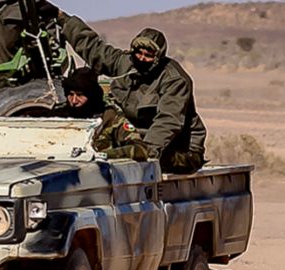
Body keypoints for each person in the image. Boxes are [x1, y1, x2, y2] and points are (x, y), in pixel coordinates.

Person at [58, 16, 206, 173]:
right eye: (138, 53)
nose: (141, 58)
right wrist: (62, 18)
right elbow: (94, 48)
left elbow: (168, 122)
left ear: (158, 57)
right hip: (132, 141)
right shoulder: (126, 64)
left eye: (148, 55)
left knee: (122, 158)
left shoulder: (174, 80)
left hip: (177, 150)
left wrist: (145, 150)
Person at [59, 68, 148, 161]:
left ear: (92, 96)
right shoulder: (59, 117)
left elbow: (140, 149)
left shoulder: (109, 117)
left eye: (79, 95)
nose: (74, 101)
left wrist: (100, 155)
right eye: (70, 94)